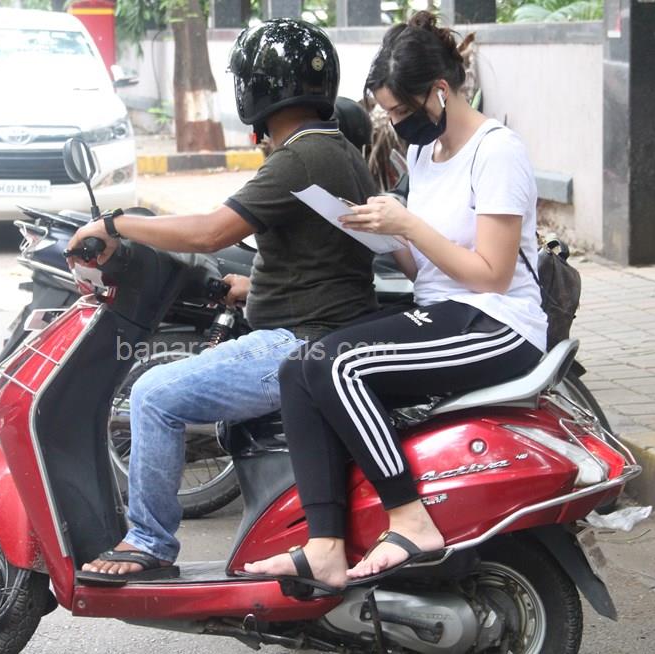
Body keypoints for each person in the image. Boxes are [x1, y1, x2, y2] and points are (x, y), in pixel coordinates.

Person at [244, 11, 547, 591]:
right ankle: (325, 545)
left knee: (338, 365)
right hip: (442, 311)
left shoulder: (497, 152)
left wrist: (408, 224)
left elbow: (492, 275)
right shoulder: (425, 156)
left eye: (401, 112)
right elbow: (423, 265)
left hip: (498, 324)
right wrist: (380, 233)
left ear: (439, 91)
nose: (396, 123)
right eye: (387, 114)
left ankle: (410, 519)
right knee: (299, 368)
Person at [67, 19, 379, 581]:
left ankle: (148, 541)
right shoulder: (339, 151)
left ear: (254, 89)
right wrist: (252, 286)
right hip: (323, 332)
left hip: (298, 344)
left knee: (153, 393)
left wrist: (117, 223)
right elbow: (324, 256)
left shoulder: (300, 156)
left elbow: (211, 232)